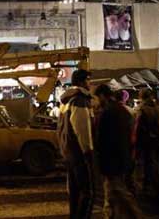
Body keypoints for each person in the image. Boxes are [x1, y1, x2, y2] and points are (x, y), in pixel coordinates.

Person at [94, 84, 144, 219]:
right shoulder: (122, 111)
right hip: (122, 157)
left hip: (112, 160)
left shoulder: (108, 112)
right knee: (112, 194)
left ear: (103, 95)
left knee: (117, 192)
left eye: (98, 97)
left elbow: (104, 139)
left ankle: (135, 215)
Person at [58, 69, 94, 219]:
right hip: (79, 153)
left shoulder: (66, 101)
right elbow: (82, 130)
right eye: (88, 80)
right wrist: (89, 152)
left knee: (74, 191)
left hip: (68, 152)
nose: (90, 84)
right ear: (81, 82)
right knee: (88, 192)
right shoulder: (79, 100)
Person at [135, 89, 159, 196]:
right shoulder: (157, 108)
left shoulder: (142, 109)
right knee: (154, 160)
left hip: (144, 139)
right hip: (156, 138)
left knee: (145, 162)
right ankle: (156, 184)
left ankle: (146, 184)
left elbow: (138, 125)